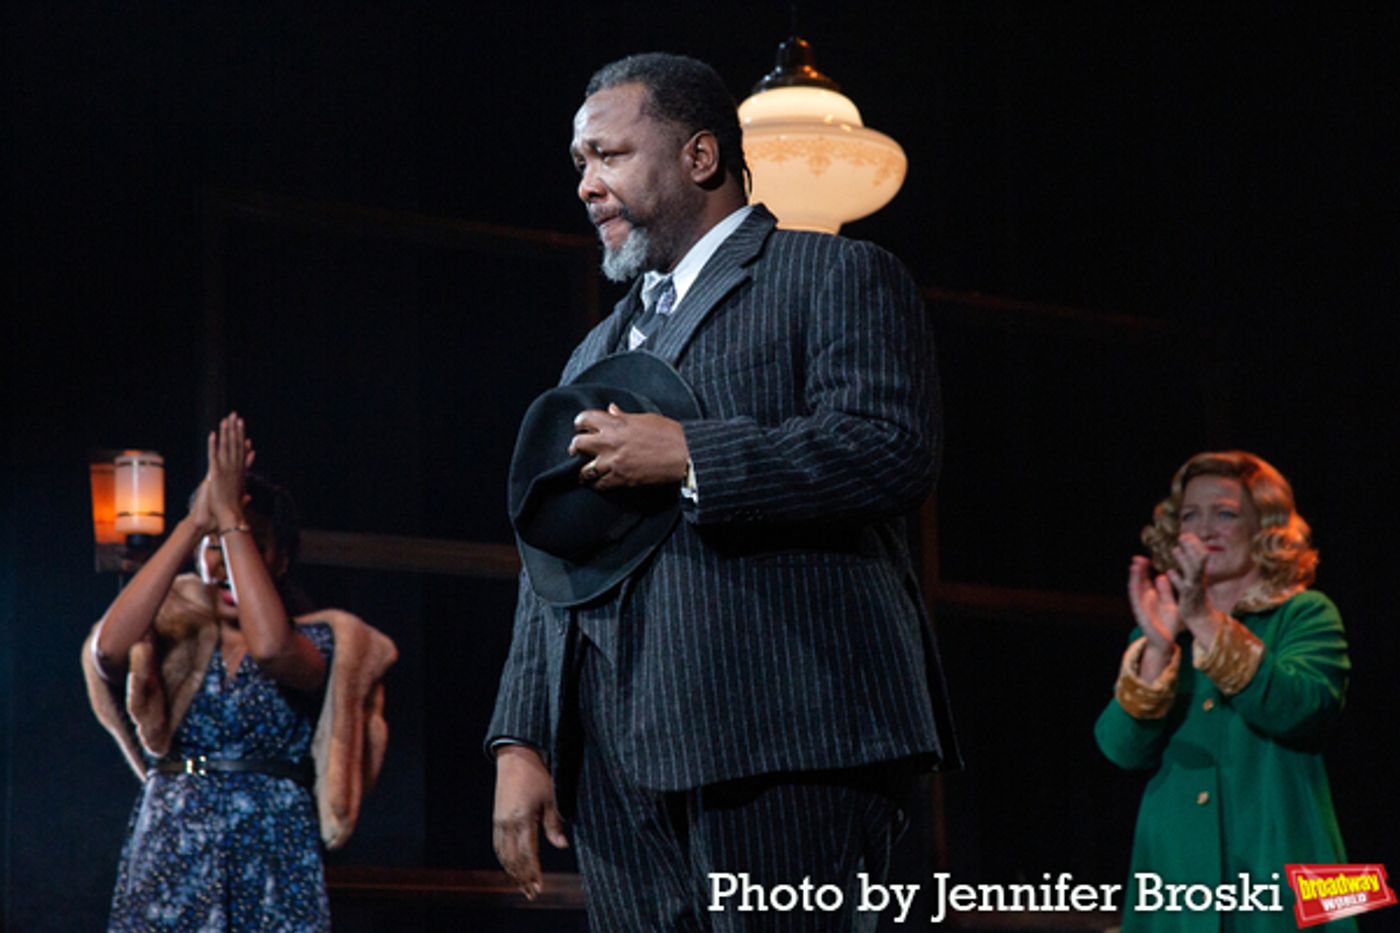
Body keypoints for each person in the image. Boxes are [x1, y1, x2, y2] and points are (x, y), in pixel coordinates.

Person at [487, 52, 957, 930]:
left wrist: (692, 455)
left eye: (610, 156)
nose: (587, 185)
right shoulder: (592, 354)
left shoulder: (833, 276)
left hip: (785, 727)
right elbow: (552, 550)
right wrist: (523, 739)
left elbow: (892, 449)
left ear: (700, 158)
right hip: (617, 758)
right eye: (580, 163)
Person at [82, 413, 397, 932]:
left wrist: (231, 517)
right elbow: (107, 654)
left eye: (248, 543)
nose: (224, 560)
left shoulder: (320, 640)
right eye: (215, 547)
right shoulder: (172, 636)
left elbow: (273, 650)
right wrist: (194, 524)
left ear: (278, 558)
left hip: (273, 847)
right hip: (174, 840)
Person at [1094, 451, 1353, 933]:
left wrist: (1204, 621)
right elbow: (1120, 749)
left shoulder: (1305, 613)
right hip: (1176, 884)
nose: (1205, 528)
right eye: (1190, 515)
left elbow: (1301, 709)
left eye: (1226, 513)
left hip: (1282, 869)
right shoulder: (1163, 633)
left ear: (1265, 529)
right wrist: (1156, 648)